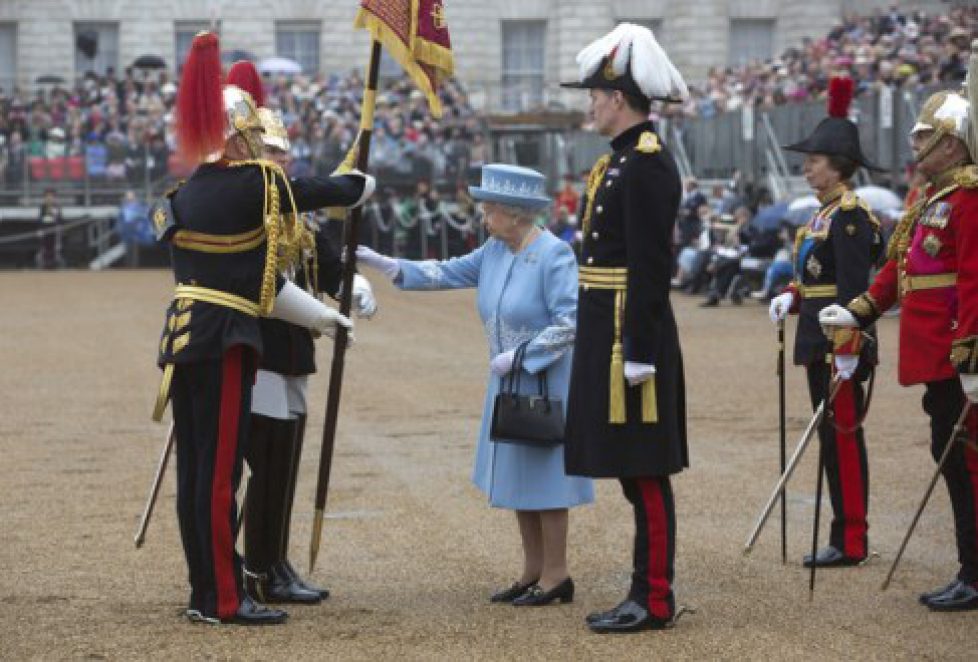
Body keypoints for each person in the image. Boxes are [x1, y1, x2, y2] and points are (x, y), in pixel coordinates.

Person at [150, 32, 374, 626]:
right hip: (227, 336)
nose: (259, 146)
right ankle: (225, 598)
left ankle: (206, 591)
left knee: (199, 476)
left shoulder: (178, 195)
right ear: (236, 135)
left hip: (183, 335)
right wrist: (355, 187)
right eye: (250, 135)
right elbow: (307, 195)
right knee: (221, 476)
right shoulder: (259, 183)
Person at [357, 163, 594, 607]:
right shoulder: (494, 251)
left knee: (547, 480)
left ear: (516, 213)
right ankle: (532, 570)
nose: (484, 218)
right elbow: (445, 272)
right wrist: (389, 266)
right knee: (520, 479)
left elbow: (571, 321)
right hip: (507, 381)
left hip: (545, 381)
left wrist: (524, 355)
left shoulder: (554, 254)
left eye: (490, 211)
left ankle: (557, 575)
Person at [225, 61, 378, 607]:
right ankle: (255, 565)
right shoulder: (250, 211)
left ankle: (273, 560)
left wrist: (353, 284)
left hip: (294, 353)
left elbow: (329, 261)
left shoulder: (300, 216)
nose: (283, 161)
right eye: (273, 153)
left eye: (286, 153)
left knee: (284, 464)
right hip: (259, 348)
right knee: (263, 465)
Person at [820, 87, 978, 611]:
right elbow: (900, 270)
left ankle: (975, 571)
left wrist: (972, 353)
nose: (917, 145)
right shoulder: (931, 200)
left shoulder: (969, 198)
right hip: (936, 355)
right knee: (950, 456)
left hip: (957, 353)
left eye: (927, 137)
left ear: (954, 145)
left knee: (967, 461)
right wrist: (861, 309)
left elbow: (974, 281)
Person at [559, 23, 689, 633]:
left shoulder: (647, 165)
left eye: (595, 93)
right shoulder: (618, 163)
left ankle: (655, 597)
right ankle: (643, 588)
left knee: (645, 467)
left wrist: (638, 348)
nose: (590, 102)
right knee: (632, 472)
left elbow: (649, 265)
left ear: (618, 98)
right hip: (604, 325)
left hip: (627, 338)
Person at [769, 76, 883, 568]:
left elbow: (854, 290)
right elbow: (816, 278)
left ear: (837, 168)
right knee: (830, 438)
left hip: (839, 343)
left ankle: (852, 537)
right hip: (817, 337)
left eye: (814, 161)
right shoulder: (822, 215)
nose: (806, 167)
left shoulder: (851, 216)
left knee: (843, 436)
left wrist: (847, 347)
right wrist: (792, 297)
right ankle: (844, 532)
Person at [36, 187, 64, 269]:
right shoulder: (42, 207)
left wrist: (59, 226)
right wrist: (39, 229)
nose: (49, 198)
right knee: (44, 247)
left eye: (51, 196)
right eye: (47, 196)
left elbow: (60, 218)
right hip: (45, 230)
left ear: (54, 197)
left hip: (54, 230)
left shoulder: (57, 206)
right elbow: (40, 218)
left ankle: (54, 264)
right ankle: (45, 263)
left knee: (54, 247)